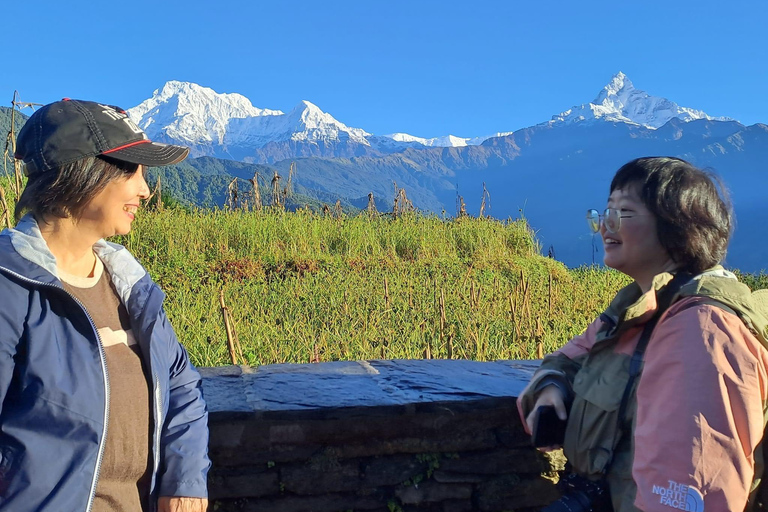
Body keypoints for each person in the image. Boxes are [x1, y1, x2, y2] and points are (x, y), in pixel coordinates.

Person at [517, 157, 768, 511]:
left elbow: (694, 490)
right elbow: (574, 354)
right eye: (604, 212)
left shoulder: (701, 332)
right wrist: (551, 386)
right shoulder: (642, 309)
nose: (605, 226)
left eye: (623, 212)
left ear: (677, 228)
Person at [0, 99, 210, 512]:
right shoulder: (11, 287)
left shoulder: (128, 283)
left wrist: (184, 479)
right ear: (82, 174)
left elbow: (181, 384)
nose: (145, 190)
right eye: (132, 170)